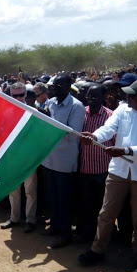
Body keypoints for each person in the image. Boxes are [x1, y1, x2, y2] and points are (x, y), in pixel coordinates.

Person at [78, 79, 137, 272]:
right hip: (119, 170)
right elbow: (108, 128)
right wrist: (95, 137)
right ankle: (97, 249)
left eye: (131, 95)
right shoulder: (123, 109)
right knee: (107, 213)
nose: (126, 98)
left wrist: (127, 150)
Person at [42, 73, 86, 248]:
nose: (54, 89)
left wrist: (47, 124)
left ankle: (65, 233)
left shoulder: (76, 106)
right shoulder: (51, 103)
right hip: (49, 158)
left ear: (68, 87)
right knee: (52, 197)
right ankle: (55, 226)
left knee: (64, 199)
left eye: (59, 87)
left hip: (65, 161)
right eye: (53, 86)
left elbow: (71, 133)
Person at [75, 84, 114, 242]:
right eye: (89, 95)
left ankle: (100, 237)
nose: (91, 99)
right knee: (85, 204)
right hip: (84, 168)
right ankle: (85, 234)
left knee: (100, 205)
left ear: (104, 97)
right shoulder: (81, 113)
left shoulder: (110, 116)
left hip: (102, 169)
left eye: (95, 96)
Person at [1, 83, 39, 233]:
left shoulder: (34, 112)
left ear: (25, 94)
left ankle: (30, 220)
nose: (18, 98)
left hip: (29, 158)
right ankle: (14, 218)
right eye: (14, 95)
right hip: (12, 158)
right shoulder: (6, 112)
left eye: (20, 95)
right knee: (13, 190)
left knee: (30, 191)